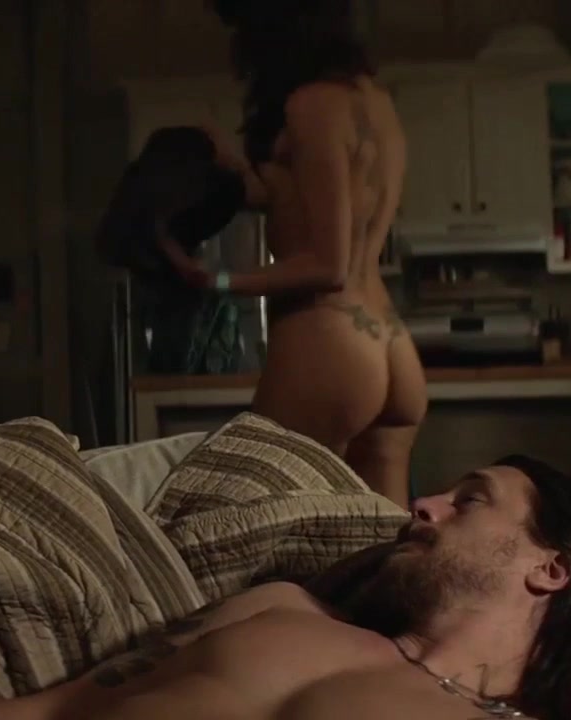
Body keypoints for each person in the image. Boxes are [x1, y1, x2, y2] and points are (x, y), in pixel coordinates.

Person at [0, 455, 571, 720]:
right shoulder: (277, 610)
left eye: (468, 501)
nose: (423, 506)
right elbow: (49, 712)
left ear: (550, 568)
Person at [161, 0, 427, 507]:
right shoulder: (376, 103)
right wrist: (239, 171)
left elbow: (327, 265)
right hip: (390, 343)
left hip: (329, 344)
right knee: (384, 545)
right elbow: (316, 206)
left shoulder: (311, 105)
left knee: (236, 513)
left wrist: (217, 281)